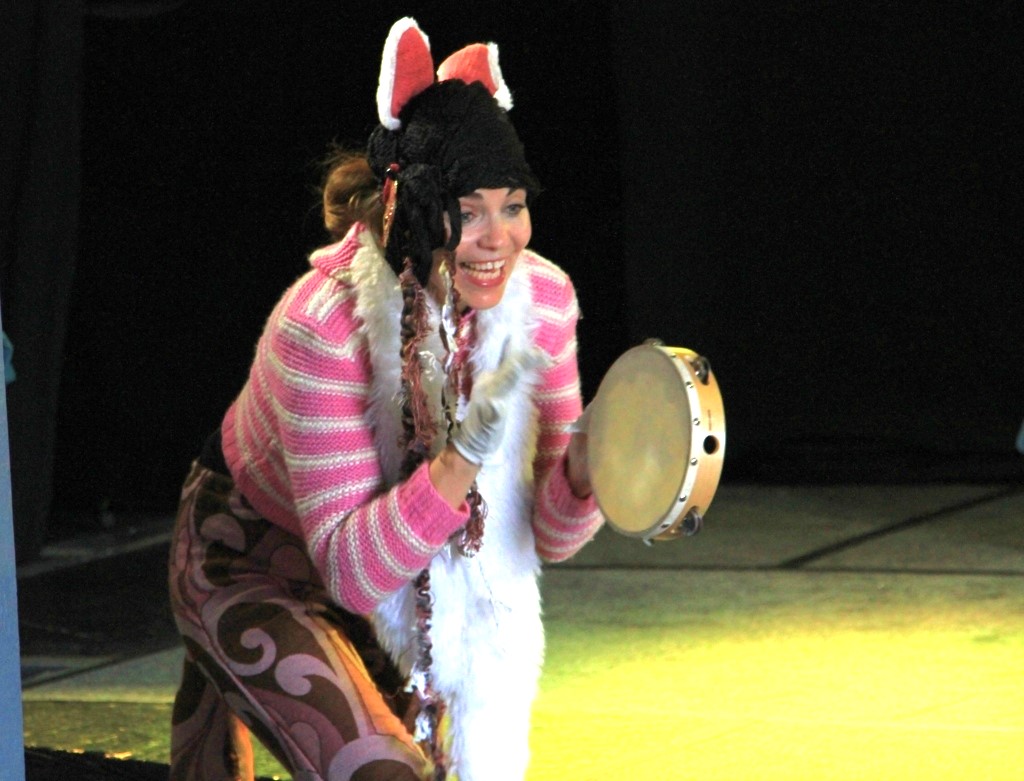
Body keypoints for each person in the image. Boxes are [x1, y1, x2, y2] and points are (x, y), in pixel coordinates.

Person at [168, 17, 604, 781]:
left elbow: (549, 535)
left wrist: (593, 467)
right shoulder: (321, 325)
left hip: (392, 585)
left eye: (513, 206)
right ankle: (215, 654)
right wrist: (462, 458)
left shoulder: (545, 302)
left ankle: (216, 689)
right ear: (417, 206)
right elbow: (351, 570)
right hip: (253, 556)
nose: (500, 238)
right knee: (384, 774)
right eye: (470, 210)